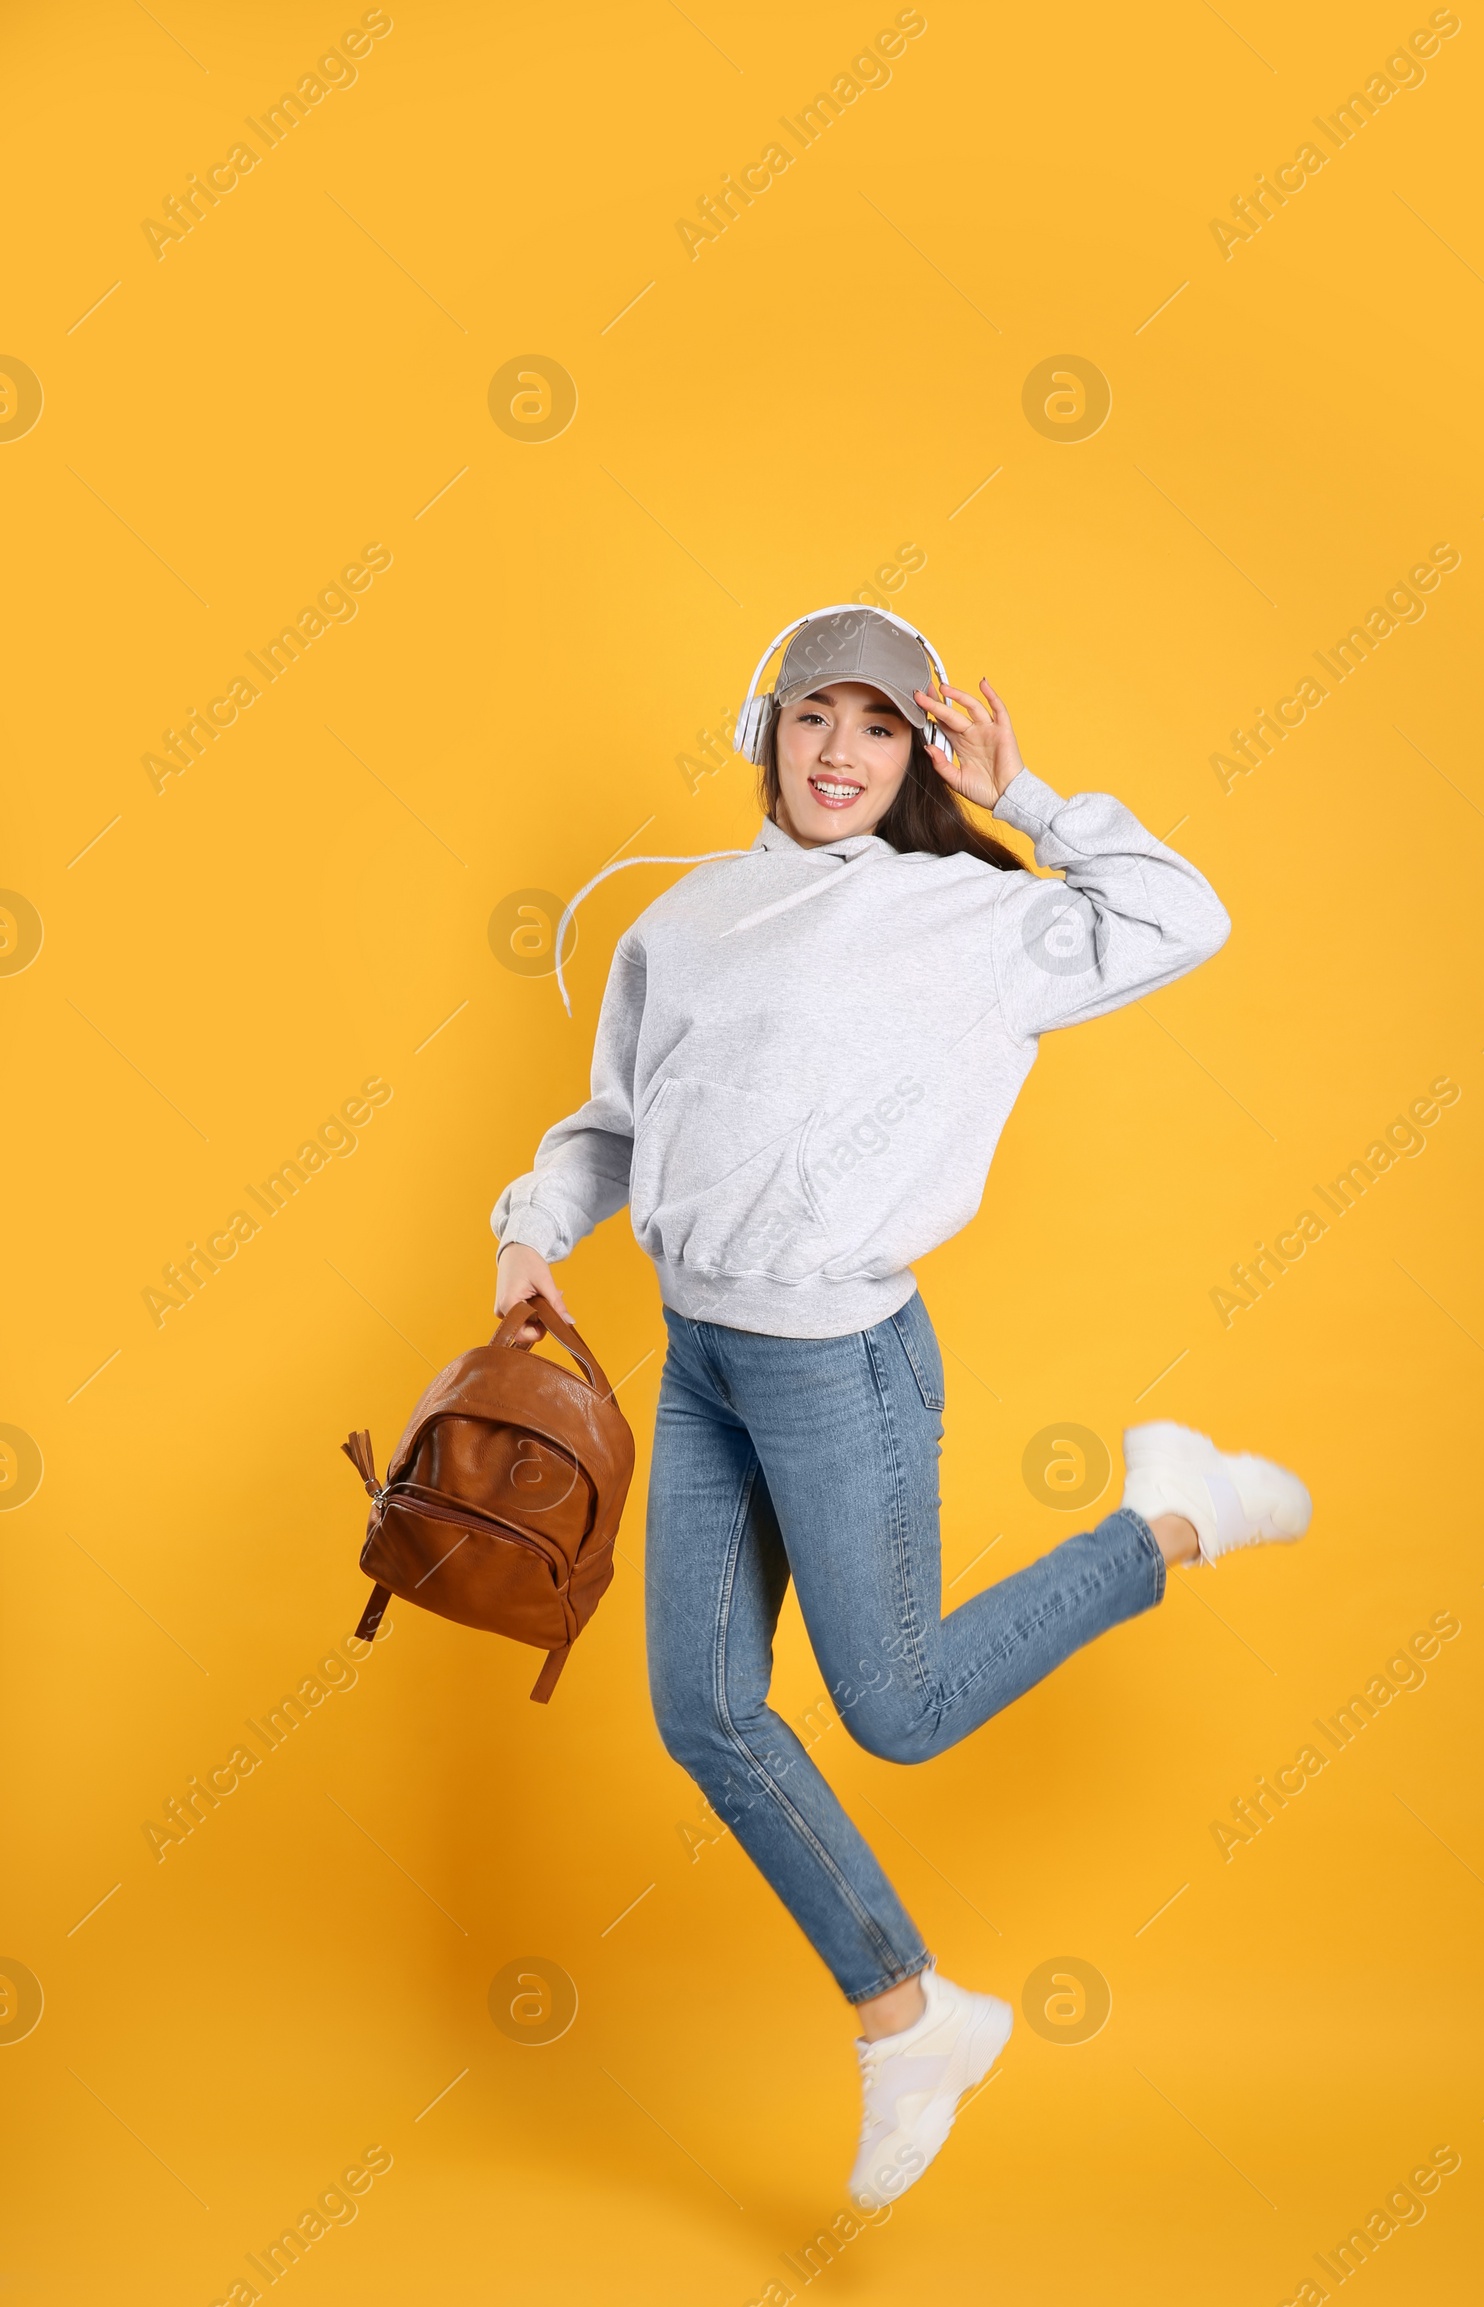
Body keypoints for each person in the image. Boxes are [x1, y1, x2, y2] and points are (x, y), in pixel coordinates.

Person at [490, 606, 1311, 2209]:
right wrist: (529, 1234)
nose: (842, 754)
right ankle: (907, 2017)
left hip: (838, 1357)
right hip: (705, 1351)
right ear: (765, 729)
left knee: (900, 1708)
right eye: (815, 719)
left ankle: (1177, 1515)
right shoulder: (687, 919)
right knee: (705, 1715)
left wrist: (1036, 802)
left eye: (881, 726)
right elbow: (612, 1122)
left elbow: (1185, 916)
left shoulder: (965, 917)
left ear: (920, 751)